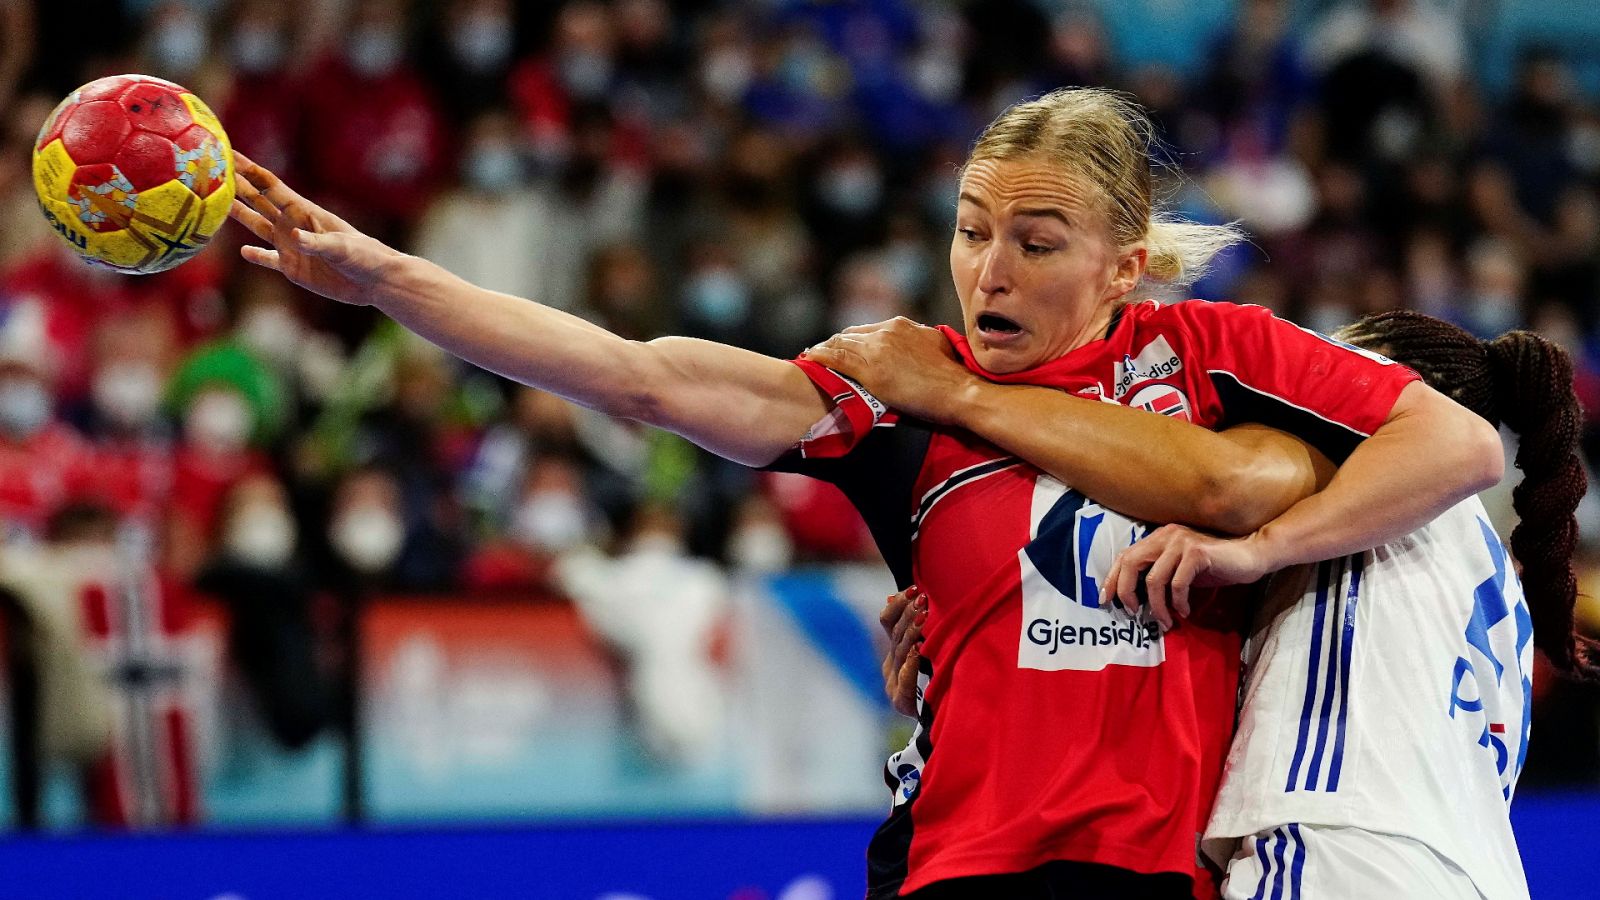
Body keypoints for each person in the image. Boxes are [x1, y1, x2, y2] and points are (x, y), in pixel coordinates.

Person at [227, 88, 1501, 898]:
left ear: (1123, 265)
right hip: (958, 861)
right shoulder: (899, 385)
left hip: (1158, 867)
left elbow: (1454, 450)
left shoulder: (1216, 357)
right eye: (971, 228)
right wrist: (389, 279)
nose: (988, 270)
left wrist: (1260, 548)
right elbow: (641, 378)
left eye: (1036, 243)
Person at [869, 309, 1594, 899]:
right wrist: (961, 672)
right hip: (1482, 873)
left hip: (1332, 849)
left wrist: (964, 397)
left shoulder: (1352, 481)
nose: (1292, 399)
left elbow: (1216, 488)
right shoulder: (1491, 576)